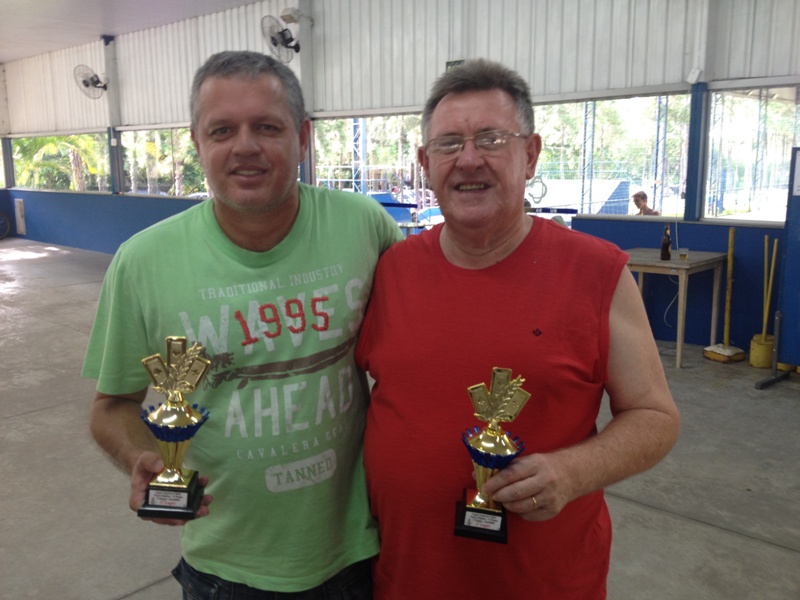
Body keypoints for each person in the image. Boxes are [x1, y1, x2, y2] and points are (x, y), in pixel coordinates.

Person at [355, 59, 680, 599]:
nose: (469, 159)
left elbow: (656, 417)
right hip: (404, 580)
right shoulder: (390, 271)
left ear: (530, 155)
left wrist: (573, 472)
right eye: (448, 144)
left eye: (491, 139)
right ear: (425, 163)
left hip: (547, 584)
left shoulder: (596, 272)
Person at [83, 50, 403, 598]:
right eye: (222, 130)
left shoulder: (363, 227)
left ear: (303, 137)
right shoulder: (142, 263)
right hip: (225, 570)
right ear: (197, 142)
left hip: (357, 554)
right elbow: (111, 405)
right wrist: (143, 458)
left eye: (268, 127)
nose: (245, 146)